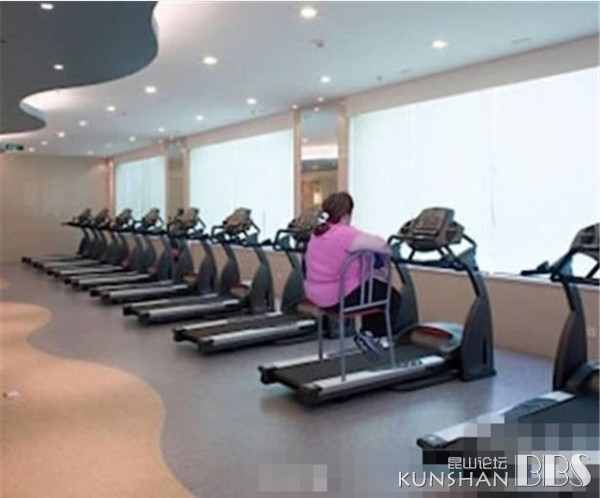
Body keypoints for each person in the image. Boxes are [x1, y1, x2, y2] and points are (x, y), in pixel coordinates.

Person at [303, 192, 402, 354]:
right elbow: (383, 246)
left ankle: (368, 334)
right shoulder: (345, 233)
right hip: (338, 297)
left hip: (315, 295)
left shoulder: (318, 233)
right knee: (391, 296)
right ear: (347, 214)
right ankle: (373, 336)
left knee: (372, 287)